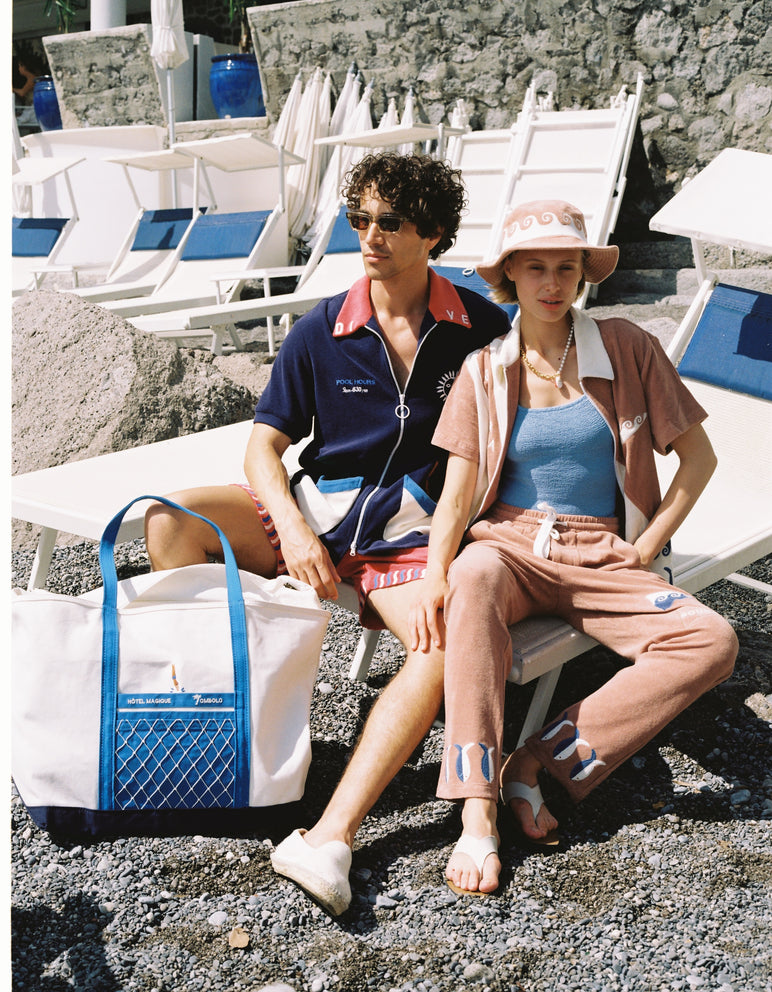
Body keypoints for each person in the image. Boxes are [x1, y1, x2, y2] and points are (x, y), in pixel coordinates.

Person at [144, 151, 510, 914]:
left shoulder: (480, 327)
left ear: (434, 234)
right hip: (320, 515)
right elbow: (263, 444)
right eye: (359, 219)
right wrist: (294, 531)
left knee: (441, 646)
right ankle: (208, 734)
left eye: (390, 222)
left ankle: (332, 835)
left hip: (407, 540)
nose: (369, 236)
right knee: (169, 521)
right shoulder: (323, 328)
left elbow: (538, 414)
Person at [408, 199, 739, 897]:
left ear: (585, 273)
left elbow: (699, 460)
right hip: (512, 543)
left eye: (567, 267)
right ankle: (476, 815)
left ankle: (534, 762)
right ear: (509, 279)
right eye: (536, 269)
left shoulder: (626, 347)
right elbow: (461, 496)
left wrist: (645, 547)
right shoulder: (483, 370)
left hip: (603, 550)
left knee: (711, 640)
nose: (553, 284)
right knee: (472, 576)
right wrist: (438, 571)